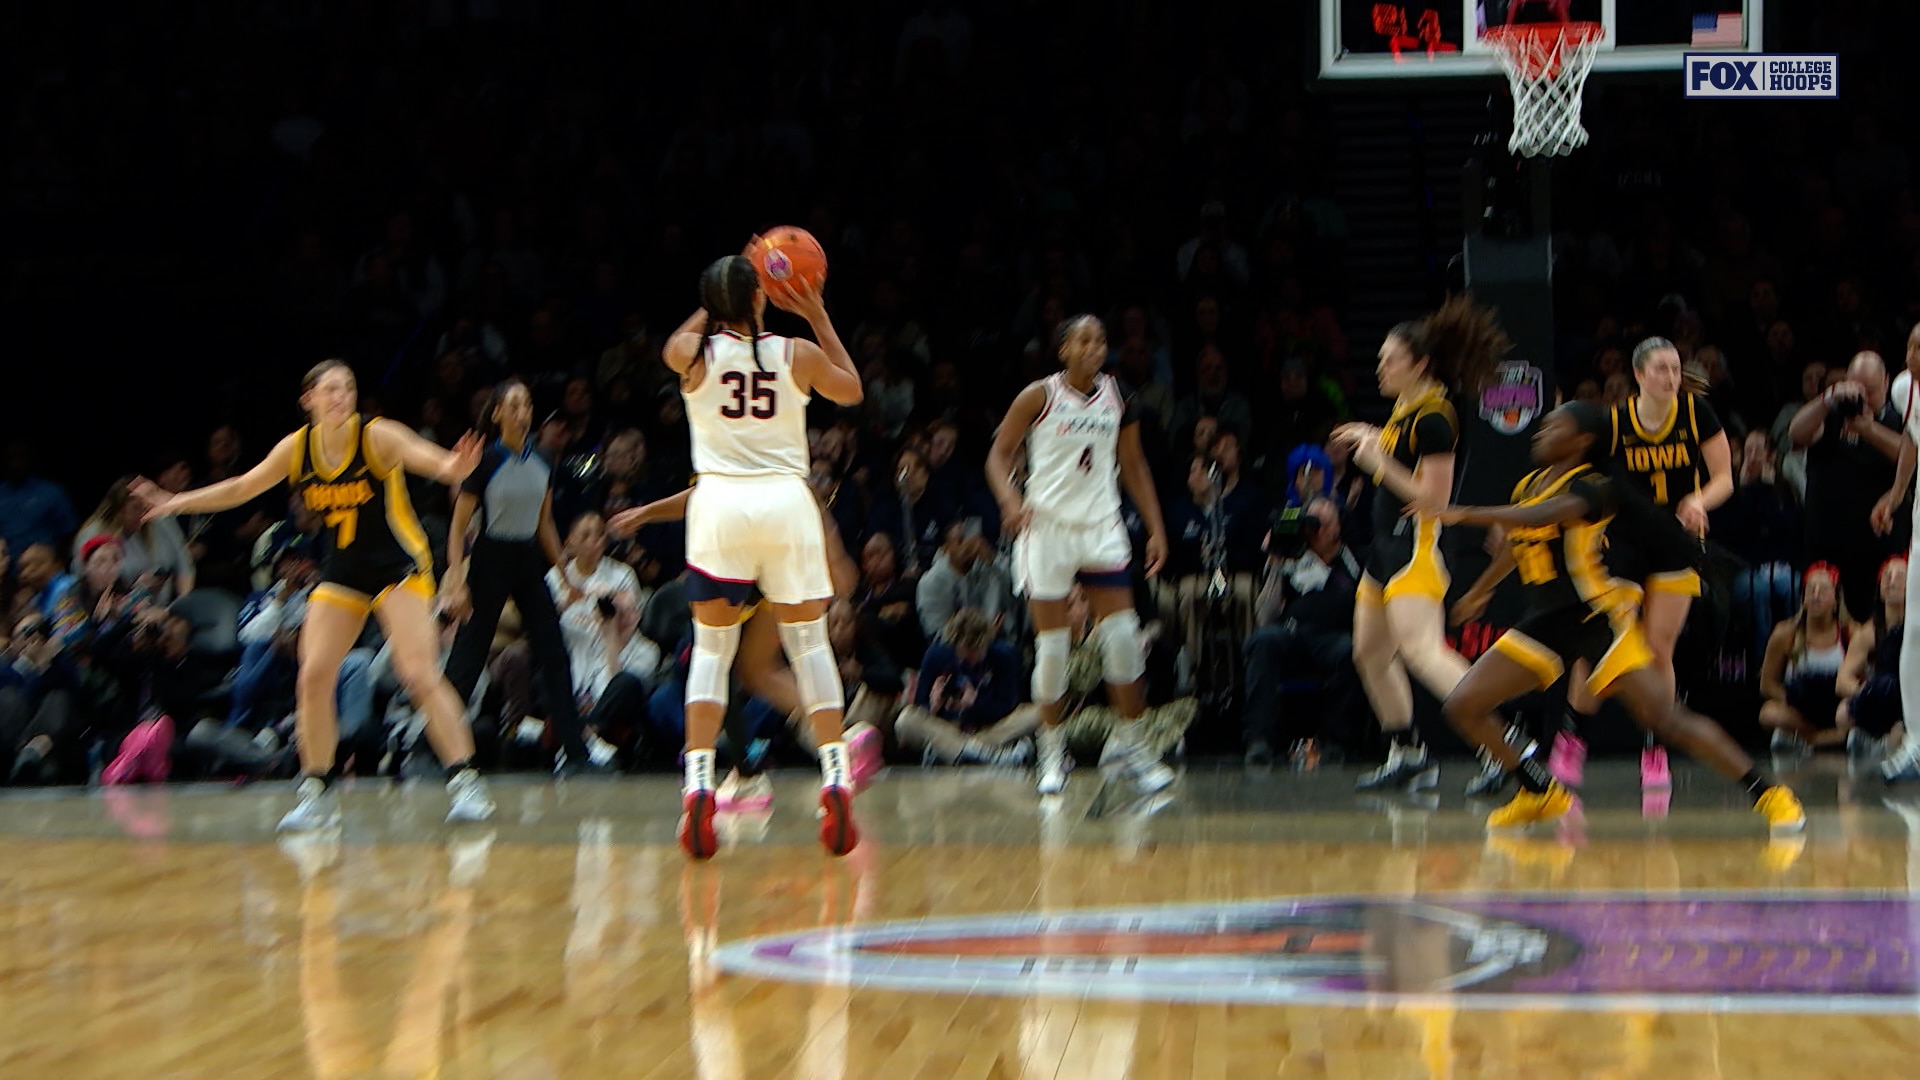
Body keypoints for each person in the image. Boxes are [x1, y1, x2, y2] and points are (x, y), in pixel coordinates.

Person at [130, 359, 496, 830]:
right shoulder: (296, 448)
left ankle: (466, 782)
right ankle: (317, 792)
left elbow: (432, 459)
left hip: (398, 569)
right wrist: (175, 501)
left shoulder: (377, 435)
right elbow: (242, 488)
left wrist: (454, 466)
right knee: (313, 675)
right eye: (331, 389)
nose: (342, 396)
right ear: (309, 399)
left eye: (348, 387)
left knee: (417, 673)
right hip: (343, 572)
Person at [1440, 402, 1804, 834]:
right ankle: (1539, 792)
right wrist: (1481, 590)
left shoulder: (1595, 488)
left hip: (1597, 621)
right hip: (1547, 621)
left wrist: (1465, 513)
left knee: (1666, 719)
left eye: (1555, 426)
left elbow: (1539, 516)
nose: (1541, 432)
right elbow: (1516, 542)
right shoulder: (1528, 484)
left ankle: (1770, 795)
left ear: (1581, 440)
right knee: (1463, 706)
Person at [660, 253, 863, 860]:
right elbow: (851, 390)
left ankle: (698, 786)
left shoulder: (692, 356)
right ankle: (836, 777)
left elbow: (679, 339)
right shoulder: (793, 352)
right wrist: (817, 313)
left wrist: (722, 296)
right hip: (786, 503)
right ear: (760, 299)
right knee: (809, 647)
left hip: (720, 504)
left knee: (713, 653)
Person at [985, 313, 1172, 798]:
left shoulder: (1118, 397)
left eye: (1101, 339)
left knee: (1124, 640)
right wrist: (1009, 501)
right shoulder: (1039, 396)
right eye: (1084, 339)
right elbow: (997, 455)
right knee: (1052, 651)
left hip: (1101, 527)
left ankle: (1133, 746)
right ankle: (1052, 752)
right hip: (1045, 529)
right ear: (1064, 349)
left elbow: (1133, 465)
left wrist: (1155, 527)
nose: (1094, 347)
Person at [1331, 295, 1506, 793]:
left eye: (1390, 360)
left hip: (1417, 552)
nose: (1380, 367)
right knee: (1369, 651)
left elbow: (1435, 499)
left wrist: (1377, 464)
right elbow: (1398, 451)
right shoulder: (1406, 409)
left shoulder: (1437, 417)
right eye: (1380, 358)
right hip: (1382, 553)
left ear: (1420, 365)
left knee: (1424, 651)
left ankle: (1503, 746)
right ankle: (1408, 754)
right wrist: (1374, 437)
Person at [1564, 338, 1736, 791]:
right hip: (1623, 543)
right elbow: (1579, 478)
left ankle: (1655, 749)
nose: (1671, 377)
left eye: (1676, 369)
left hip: (1673, 543)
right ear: (1638, 376)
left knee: (1659, 650)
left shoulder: (1698, 414)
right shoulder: (1615, 423)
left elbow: (1725, 479)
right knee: (1603, 644)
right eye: (1661, 369)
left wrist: (1699, 500)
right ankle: (1571, 738)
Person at [439, 379, 596, 777]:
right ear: (497, 414)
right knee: (467, 659)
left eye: (526, 404)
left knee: (554, 653)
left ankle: (576, 754)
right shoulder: (485, 461)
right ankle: (439, 749)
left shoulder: (544, 459)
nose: (522, 412)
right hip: (491, 555)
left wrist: (565, 572)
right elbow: (458, 528)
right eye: (513, 405)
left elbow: (544, 523)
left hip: (527, 557)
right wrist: (457, 579)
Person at [1242, 496, 1362, 767]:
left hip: (1334, 637)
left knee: (1352, 652)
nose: (1313, 531)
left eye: (1320, 524)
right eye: (1310, 523)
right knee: (1262, 641)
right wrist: (1275, 561)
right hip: (1294, 634)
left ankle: (1335, 743)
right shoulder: (1292, 558)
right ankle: (1259, 740)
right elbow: (1265, 616)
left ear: (1336, 529)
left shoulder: (1353, 559)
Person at [1873, 320, 1920, 782]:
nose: (1910, 356)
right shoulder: (1906, 387)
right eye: (1908, 346)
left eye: (1919, 349)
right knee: (1915, 628)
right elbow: (1912, 436)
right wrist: (1897, 493)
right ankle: (1916, 743)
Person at [1757, 563, 1853, 753]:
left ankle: (1815, 740)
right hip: (1799, 710)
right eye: (1810, 589)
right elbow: (1767, 685)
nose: (1816, 595)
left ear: (1836, 599)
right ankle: (1817, 738)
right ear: (1802, 598)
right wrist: (1792, 699)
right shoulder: (1785, 633)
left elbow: (1861, 680)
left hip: (1836, 707)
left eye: (1823, 590)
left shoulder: (1851, 633)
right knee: (1768, 713)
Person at [1836, 556, 1905, 759]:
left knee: (1899, 729)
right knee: (1842, 713)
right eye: (1886, 576)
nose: (1891, 581)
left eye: (1899, 576)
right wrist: (1871, 693)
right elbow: (1842, 680)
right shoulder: (1869, 632)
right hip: (1884, 695)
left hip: (1912, 699)